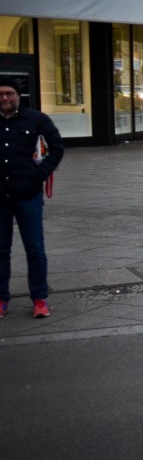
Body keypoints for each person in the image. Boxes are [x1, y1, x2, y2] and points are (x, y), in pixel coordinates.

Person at [0, 78, 64, 318]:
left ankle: (39, 298)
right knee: (0, 250)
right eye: (0, 95)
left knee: (35, 249)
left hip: (28, 194)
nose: (4, 98)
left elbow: (57, 147)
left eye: (9, 93)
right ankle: (1, 299)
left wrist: (40, 174)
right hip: (1, 196)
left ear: (18, 96)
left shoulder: (37, 119)